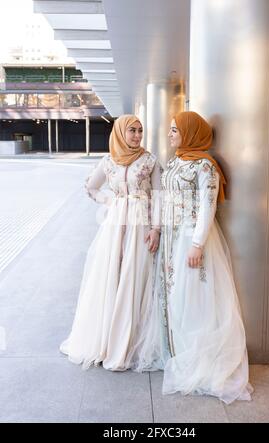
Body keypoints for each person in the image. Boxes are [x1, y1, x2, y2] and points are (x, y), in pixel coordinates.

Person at [134, 111, 253, 404]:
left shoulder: (205, 167)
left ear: (190, 132)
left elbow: (207, 207)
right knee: (171, 295)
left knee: (192, 297)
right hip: (170, 241)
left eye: (175, 130)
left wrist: (198, 244)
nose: (170, 134)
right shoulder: (175, 162)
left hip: (190, 239)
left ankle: (194, 358)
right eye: (171, 129)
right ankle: (173, 352)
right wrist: (157, 229)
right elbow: (163, 198)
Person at [60, 114, 161, 371]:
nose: (137, 135)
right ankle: (106, 338)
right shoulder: (109, 161)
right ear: (120, 133)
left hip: (141, 228)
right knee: (112, 276)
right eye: (132, 131)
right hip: (115, 228)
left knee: (134, 277)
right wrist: (112, 202)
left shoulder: (149, 161)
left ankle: (129, 340)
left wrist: (156, 229)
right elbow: (91, 188)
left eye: (140, 130)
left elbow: (161, 197)